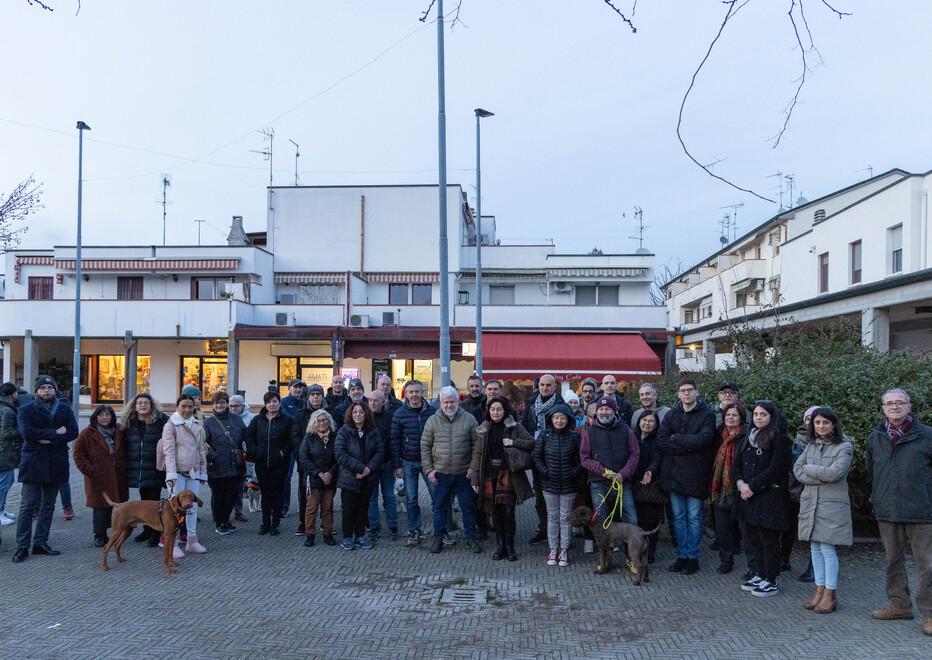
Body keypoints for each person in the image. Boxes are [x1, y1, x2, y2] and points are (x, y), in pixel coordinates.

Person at [867, 388, 932, 635]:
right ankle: (899, 605)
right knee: (892, 561)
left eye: (899, 403)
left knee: (927, 564)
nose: (894, 407)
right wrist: (877, 497)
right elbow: (872, 470)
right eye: (889, 403)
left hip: (922, 510)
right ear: (883, 408)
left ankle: (930, 613)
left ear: (909, 407)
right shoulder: (876, 436)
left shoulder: (927, 435)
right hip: (887, 508)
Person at [12, 375, 78, 563]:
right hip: (33, 462)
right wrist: (55, 433)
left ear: (55, 390)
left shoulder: (64, 408)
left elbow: (73, 432)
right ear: (37, 391)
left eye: (50, 387)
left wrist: (45, 438)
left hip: (56, 462)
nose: (47, 390)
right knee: (27, 505)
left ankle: (40, 543)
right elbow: (27, 433)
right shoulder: (26, 409)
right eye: (43, 388)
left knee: (48, 506)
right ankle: (22, 546)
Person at [794, 406, 853, 614]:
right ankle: (819, 590)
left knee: (827, 549)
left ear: (834, 424)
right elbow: (797, 470)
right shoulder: (811, 444)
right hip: (811, 502)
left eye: (825, 422)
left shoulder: (844, 446)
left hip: (832, 505)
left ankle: (830, 593)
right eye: (817, 422)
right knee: (815, 548)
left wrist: (810, 470)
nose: (821, 426)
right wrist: (821, 475)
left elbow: (834, 474)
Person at [657, 378, 716, 575]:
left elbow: (704, 440)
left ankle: (693, 557)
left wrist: (678, 438)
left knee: (694, 518)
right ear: (678, 394)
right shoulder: (672, 414)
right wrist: (688, 446)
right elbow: (662, 440)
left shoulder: (707, 415)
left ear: (696, 392)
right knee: (679, 518)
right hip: (674, 476)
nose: (686, 393)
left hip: (696, 476)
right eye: (683, 390)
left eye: (690, 390)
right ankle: (682, 555)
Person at [734, 400, 792, 598]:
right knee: (752, 539)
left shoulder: (780, 439)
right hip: (747, 497)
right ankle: (759, 573)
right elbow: (737, 464)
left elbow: (776, 469)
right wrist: (741, 484)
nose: (759, 418)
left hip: (769, 498)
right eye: (756, 414)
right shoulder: (748, 437)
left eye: (763, 414)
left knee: (769, 540)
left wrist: (752, 486)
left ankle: (771, 579)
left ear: (772, 417)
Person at [472, 396, 534, 561]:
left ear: (505, 410)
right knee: (495, 512)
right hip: (489, 474)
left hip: (508, 475)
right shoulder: (484, 428)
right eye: (492, 409)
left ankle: (510, 546)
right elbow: (477, 454)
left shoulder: (514, 426)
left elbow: (531, 442)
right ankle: (500, 546)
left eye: (499, 409)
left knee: (508, 512)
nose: (495, 412)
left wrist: (513, 442)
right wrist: (474, 479)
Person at [422, 386, 482, 554]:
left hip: (464, 474)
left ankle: (470, 538)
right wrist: (429, 470)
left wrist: (473, 468)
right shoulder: (432, 421)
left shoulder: (469, 419)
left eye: (452, 402)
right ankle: (438, 538)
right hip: (440, 474)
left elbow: (478, 446)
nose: (449, 405)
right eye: (446, 402)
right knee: (439, 508)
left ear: (458, 401)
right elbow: (425, 447)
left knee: (468, 507)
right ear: (440, 402)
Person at [533, 402, 582, 567]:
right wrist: (545, 472)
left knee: (565, 518)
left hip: (569, 484)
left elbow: (582, 459)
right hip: (549, 484)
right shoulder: (544, 435)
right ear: (551, 419)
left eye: (562, 418)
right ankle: (553, 549)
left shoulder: (575, 437)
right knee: (552, 517)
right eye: (556, 418)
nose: (559, 421)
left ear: (568, 420)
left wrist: (573, 473)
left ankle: (564, 550)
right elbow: (536, 457)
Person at [580, 396, 640, 527]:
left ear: (615, 411)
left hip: (622, 483)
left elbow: (634, 454)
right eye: (601, 409)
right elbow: (584, 458)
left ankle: (631, 542)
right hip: (598, 483)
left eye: (607, 409)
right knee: (601, 522)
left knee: (631, 520)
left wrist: (623, 473)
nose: (604, 412)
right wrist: (605, 472)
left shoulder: (626, 430)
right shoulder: (589, 432)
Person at [391, 380, 438, 546]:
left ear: (422, 392)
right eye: (411, 392)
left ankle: (440, 531)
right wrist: (397, 465)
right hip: (408, 461)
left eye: (417, 391)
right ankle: (414, 530)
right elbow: (394, 440)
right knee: (411, 499)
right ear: (406, 393)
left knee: (436, 497)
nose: (414, 395)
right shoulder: (399, 413)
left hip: (429, 462)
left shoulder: (432, 412)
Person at [73, 404, 126, 547]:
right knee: (100, 507)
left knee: (117, 504)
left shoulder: (119, 430)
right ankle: (99, 534)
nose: (104, 417)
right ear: (95, 417)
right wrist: (90, 470)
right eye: (101, 414)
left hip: (117, 475)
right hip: (98, 476)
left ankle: (117, 531)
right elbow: (78, 453)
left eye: (107, 414)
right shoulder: (87, 433)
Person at [162, 394, 209, 557]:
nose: (187, 409)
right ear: (177, 407)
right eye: (184, 406)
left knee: (192, 508)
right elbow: (168, 451)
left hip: (193, 472)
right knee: (174, 508)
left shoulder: (196, 424)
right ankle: (172, 543)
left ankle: (192, 541)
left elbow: (201, 450)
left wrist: (203, 472)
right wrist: (171, 474)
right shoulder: (171, 425)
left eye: (190, 406)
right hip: (177, 473)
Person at [334, 401, 383, 550]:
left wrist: (368, 469)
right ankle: (347, 537)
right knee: (348, 509)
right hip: (350, 477)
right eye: (355, 412)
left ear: (366, 414)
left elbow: (380, 451)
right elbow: (340, 454)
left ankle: (360, 535)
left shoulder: (373, 430)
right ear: (350, 414)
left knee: (363, 508)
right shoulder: (344, 431)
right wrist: (360, 468)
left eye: (361, 412)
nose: (358, 415)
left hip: (368, 477)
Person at [521, 374, 563, 545]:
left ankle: (559, 531)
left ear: (554, 387)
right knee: (539, 496)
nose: (545, 388)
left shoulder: (561, 405)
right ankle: (544, 528)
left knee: (557, 496)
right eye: (542, 385)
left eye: (548, 385)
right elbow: (524, 427)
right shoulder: (531, 403)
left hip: (556, 456)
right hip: (537, 455)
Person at [122, 392, 168, 547]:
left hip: (155, 468)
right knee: (143, 502)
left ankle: (157, 531)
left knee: (154, 502)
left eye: (146, 403)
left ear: (151, 405)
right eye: (140, 403)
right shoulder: (129, 422)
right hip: (138, 469)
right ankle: (147, 529)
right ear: (134, 406)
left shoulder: (160, 421)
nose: (143, 405)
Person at [245, 391, 293, 536]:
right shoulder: (258, 420)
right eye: (269, 402)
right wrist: (255, 451)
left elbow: (292, 440)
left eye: (275, 401)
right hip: (261, 463)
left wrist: (283, 452)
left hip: (280, 464)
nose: (272, 404)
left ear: (279, 402)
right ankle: (265, 523)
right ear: (265, 404)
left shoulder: (288, 420)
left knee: (277, 493)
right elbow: (249, 436)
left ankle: (275, 524)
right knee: (265, 493)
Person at [709, 402, 748, 574]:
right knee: (722, 529)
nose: (730, 418)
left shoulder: (747, 436)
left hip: (740, 487)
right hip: (720, 489)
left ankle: (753, 567)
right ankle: (726, 561)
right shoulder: (719, 434)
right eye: (728, 415)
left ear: (741, 418)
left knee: (745, 531)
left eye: (734, 415)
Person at [204, 391, 247, 536]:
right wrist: (213, 456)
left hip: (236, 465)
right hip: (217, 467)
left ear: (227, 404)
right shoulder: (208, 422)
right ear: (213, 405)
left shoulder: (236, 419)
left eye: (222, 402)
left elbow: (245, 436)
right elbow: (203, 444)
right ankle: (219, 523)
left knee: (232, 495)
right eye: (216, 403)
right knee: (219, 497)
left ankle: (226, 521)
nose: (219, 405)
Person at [288, 384, 327, 535]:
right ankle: (303, 523)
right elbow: (295, 437)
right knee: (305, 493)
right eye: (312, 394)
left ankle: (325, 523)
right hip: (306, 462)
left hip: (326, 462)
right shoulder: (300, 415)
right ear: (308, 397)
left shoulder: (329, 413)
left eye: (318, 394)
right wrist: (305, 454)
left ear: (322, 396)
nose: (315, 397)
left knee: (326, 495)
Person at [788, 405, 820, 582]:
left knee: (816, 531)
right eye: (808, 418)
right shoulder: (797, 439)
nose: (811, 423)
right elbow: (795, 466)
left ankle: (814, 567)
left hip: (817, 492)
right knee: (791, 527)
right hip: (796, 490)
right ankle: (784, 559)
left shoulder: (830, 441)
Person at [299, 409, 338, 547]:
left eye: (324, 420)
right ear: (314, 422)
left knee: (328, 507)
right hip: (314, 478)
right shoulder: (309, 437)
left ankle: (327, 533)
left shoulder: (335, 436)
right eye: (318, 420)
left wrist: (330, 473)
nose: (322, 423)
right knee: (311, 508)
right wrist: (318, 473)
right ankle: (310, 534)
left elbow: (339, 457)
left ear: (329, 421)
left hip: (330, 478)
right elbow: (303, 458)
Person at [633, 410, 665, 564]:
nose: (647, 423)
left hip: (652, 486)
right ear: (639, 421)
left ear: (656, 424)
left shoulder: (659, 439)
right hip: (634, 483)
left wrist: (650, 471)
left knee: (651, 521)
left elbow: (657, 458)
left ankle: (650, 552)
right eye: (644, 420)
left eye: (651, 421)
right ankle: (637, 550)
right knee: (637, 521)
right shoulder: (632, 436)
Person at [367, 390, 399, 540]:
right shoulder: (364, 418)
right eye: (370, 400)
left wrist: (396, 464)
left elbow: (394, 442)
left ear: (383, 402)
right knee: (372, 498)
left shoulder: (390, 418)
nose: (373, 403)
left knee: (389, 496)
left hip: (386, 463)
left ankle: (393, 526)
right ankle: (374, 527)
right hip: (370, 465)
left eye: (376, 400)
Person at [279, 379, 307, 520]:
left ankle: (304, 506)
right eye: (295, 387)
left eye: (300, 387)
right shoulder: (283, 402)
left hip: (302, 445)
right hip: (289, 446)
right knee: (286, 477)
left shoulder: (305, 403)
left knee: (304, 477)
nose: (298, 390)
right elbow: (287, 419)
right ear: (289, 388)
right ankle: (284, 506)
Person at [228, 394, 255, 523]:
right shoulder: (226, 418)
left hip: (243, 457)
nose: (233, 408)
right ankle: (224, 512)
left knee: (240, 486)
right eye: (231, 406)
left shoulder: (251, 418)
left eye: (236, 406)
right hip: (228, 458)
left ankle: (238, 511)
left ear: (242, 406)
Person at [0, 382, 24, 527]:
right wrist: (22, 431)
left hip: (5, 453)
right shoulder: (7, 411)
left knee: (7, 482)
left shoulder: (4, 407)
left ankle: (2, 510)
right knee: (4, 484)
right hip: (5, 453)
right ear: (13, 394)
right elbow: (6, 433)